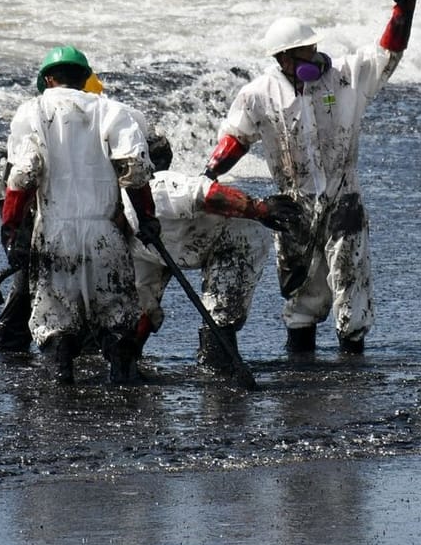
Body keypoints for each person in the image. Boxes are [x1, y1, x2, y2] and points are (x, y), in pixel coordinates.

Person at [203, 0, 418, 355]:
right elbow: (235, 138)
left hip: (343, 197)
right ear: (283, 58)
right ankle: (300, 366)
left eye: (314, 46)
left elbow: (386, 54)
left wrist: (404, 10)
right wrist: (209, 175)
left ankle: (352, 362)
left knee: (350, 280)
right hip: (294, 203)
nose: (314, 56)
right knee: (301, 291)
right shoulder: (259, 95)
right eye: (304, 51)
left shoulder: (345, 79)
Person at [1, 45, 159, 385]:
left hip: (54, 232)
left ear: (48, 79)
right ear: (85, 78)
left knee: (55, 316)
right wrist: (146, 217)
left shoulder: (31, 112)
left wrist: (11, 227)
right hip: (105, 233)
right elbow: (135, 169)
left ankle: (63, 378)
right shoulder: (113, 111)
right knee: (115, 313)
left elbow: (24, 174)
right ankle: (120, 377)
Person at [128, 133, 299, 370]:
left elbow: (207, 193)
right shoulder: (115, 204)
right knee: (139, 299)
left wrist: (260, 209)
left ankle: (217, 359)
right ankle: (130, 355)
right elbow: (142, 290)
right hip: (170, 243)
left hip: (233, 238)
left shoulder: (160, 185)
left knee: (221, 310)